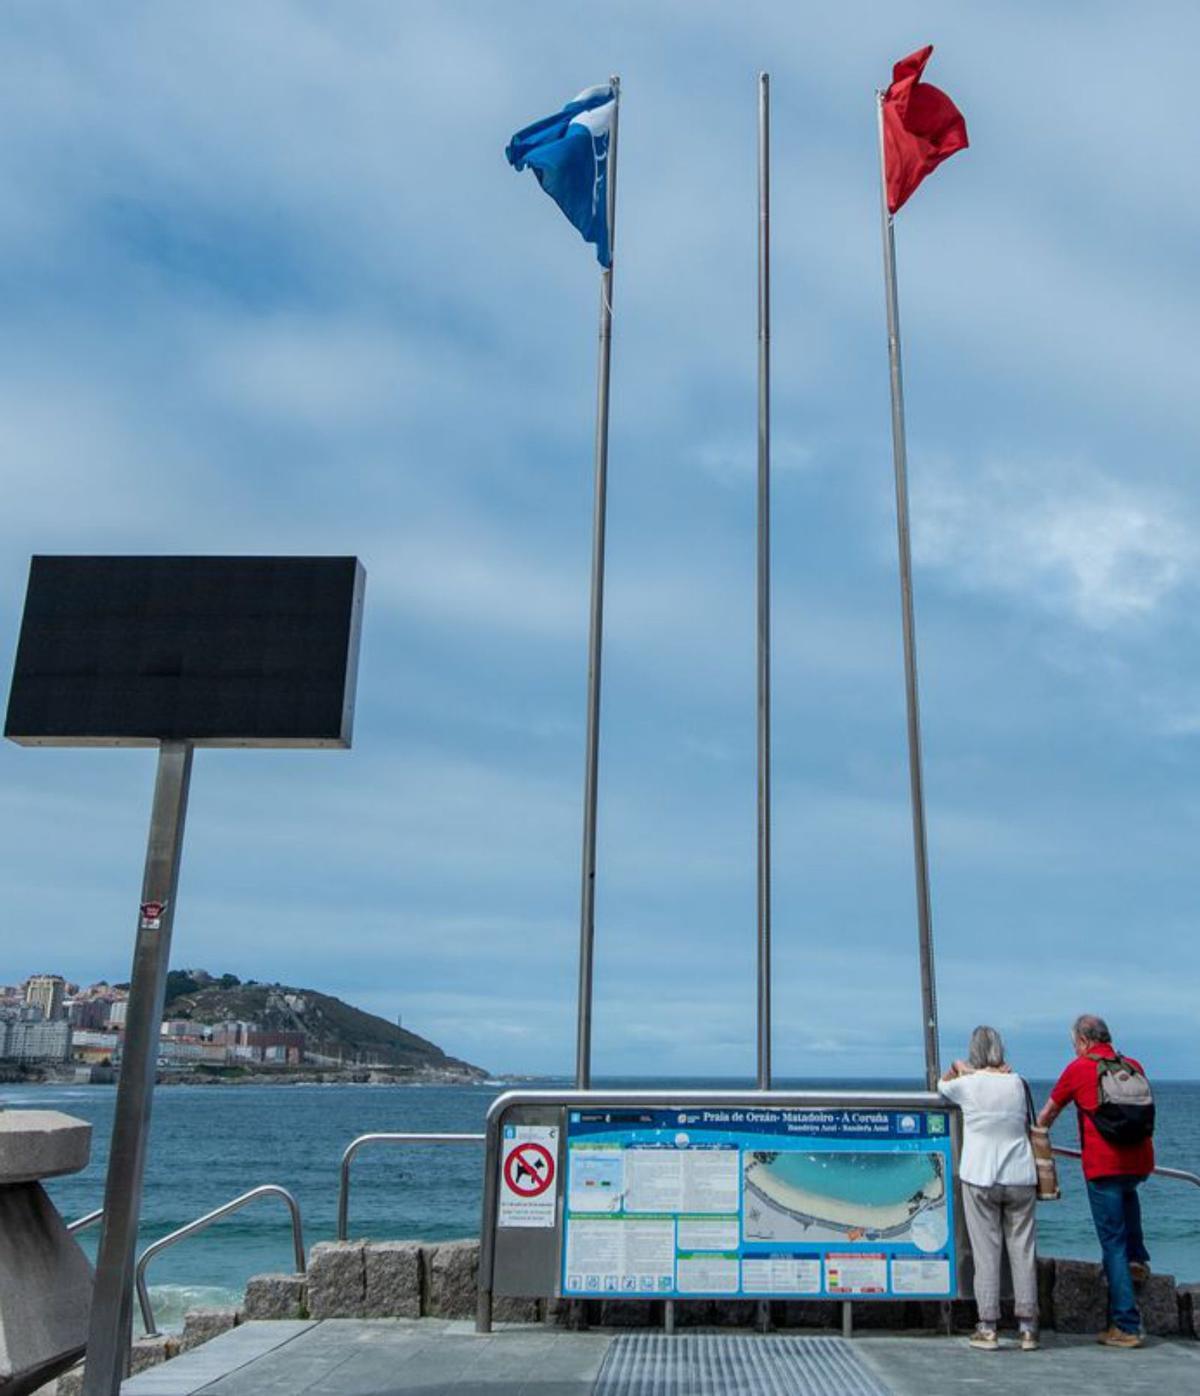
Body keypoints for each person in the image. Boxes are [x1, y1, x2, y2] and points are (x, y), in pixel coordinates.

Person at [1038, 1014, 1154, 1348]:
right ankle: (1139, 1260)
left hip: (1104, 1166)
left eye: (1075, 1043)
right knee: (1129, 1207)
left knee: (1112, 1245)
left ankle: (1127, 1326)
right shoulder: (1133, 1065)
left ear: (1085, 1041)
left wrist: (1038, 1138)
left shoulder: (1079, 1068)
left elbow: (1046, 1115)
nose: (1075, 1049)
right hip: (1140, 1163)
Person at [939, 1025, 1039, 1351]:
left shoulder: (967, 1084)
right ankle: (1027, 1327)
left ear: (974, 1052)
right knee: (1022, 1250)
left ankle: (988, 1325)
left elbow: (941, 1086)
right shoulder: (1018, 1082)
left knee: (987, 1253)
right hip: (1021, 1174)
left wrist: (957, 1067)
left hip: (980, 1174)